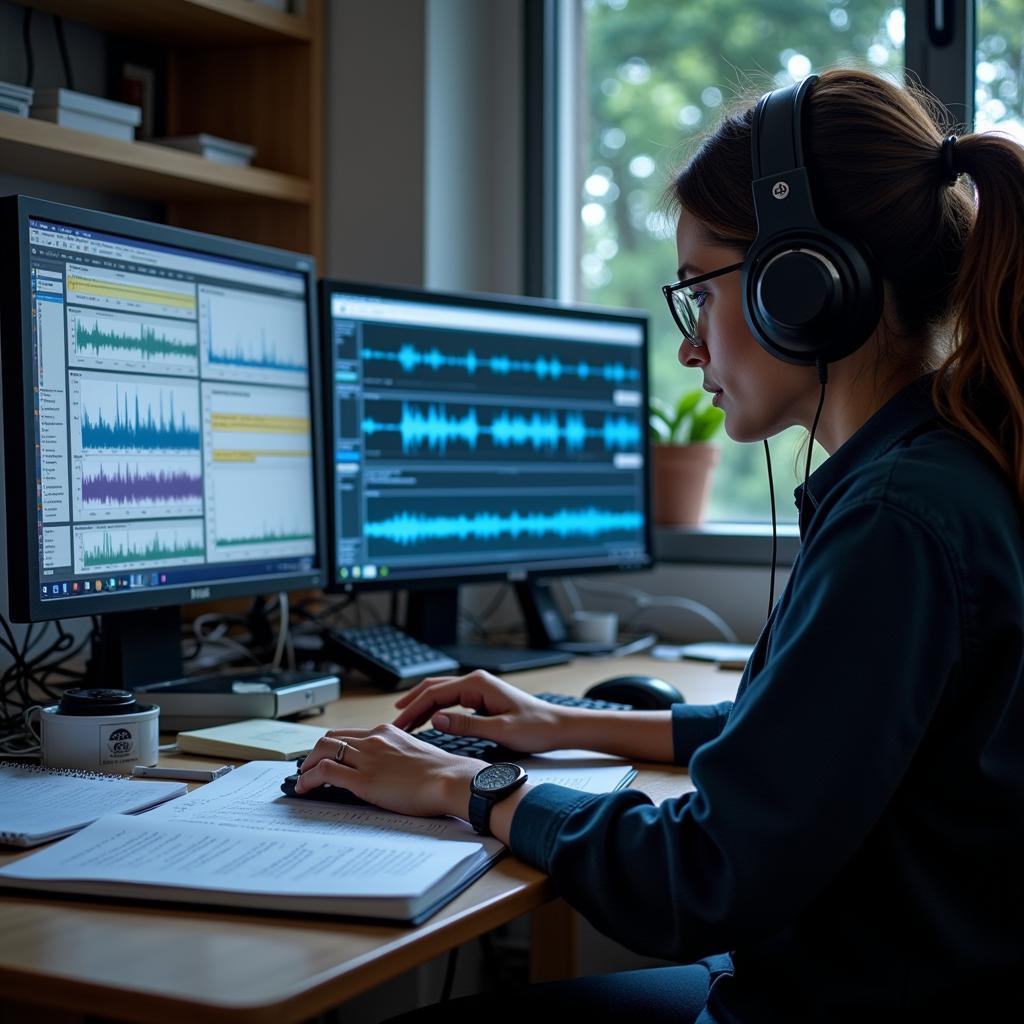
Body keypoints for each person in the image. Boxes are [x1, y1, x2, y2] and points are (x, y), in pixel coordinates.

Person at [296, 68, 1024, 1022]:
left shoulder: (899, 518)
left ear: (798, 286)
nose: (688, 349)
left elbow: (701, 879)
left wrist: (468, 785)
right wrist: (569, 724)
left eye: (697, 296)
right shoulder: (950, 469)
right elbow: (815, 744)